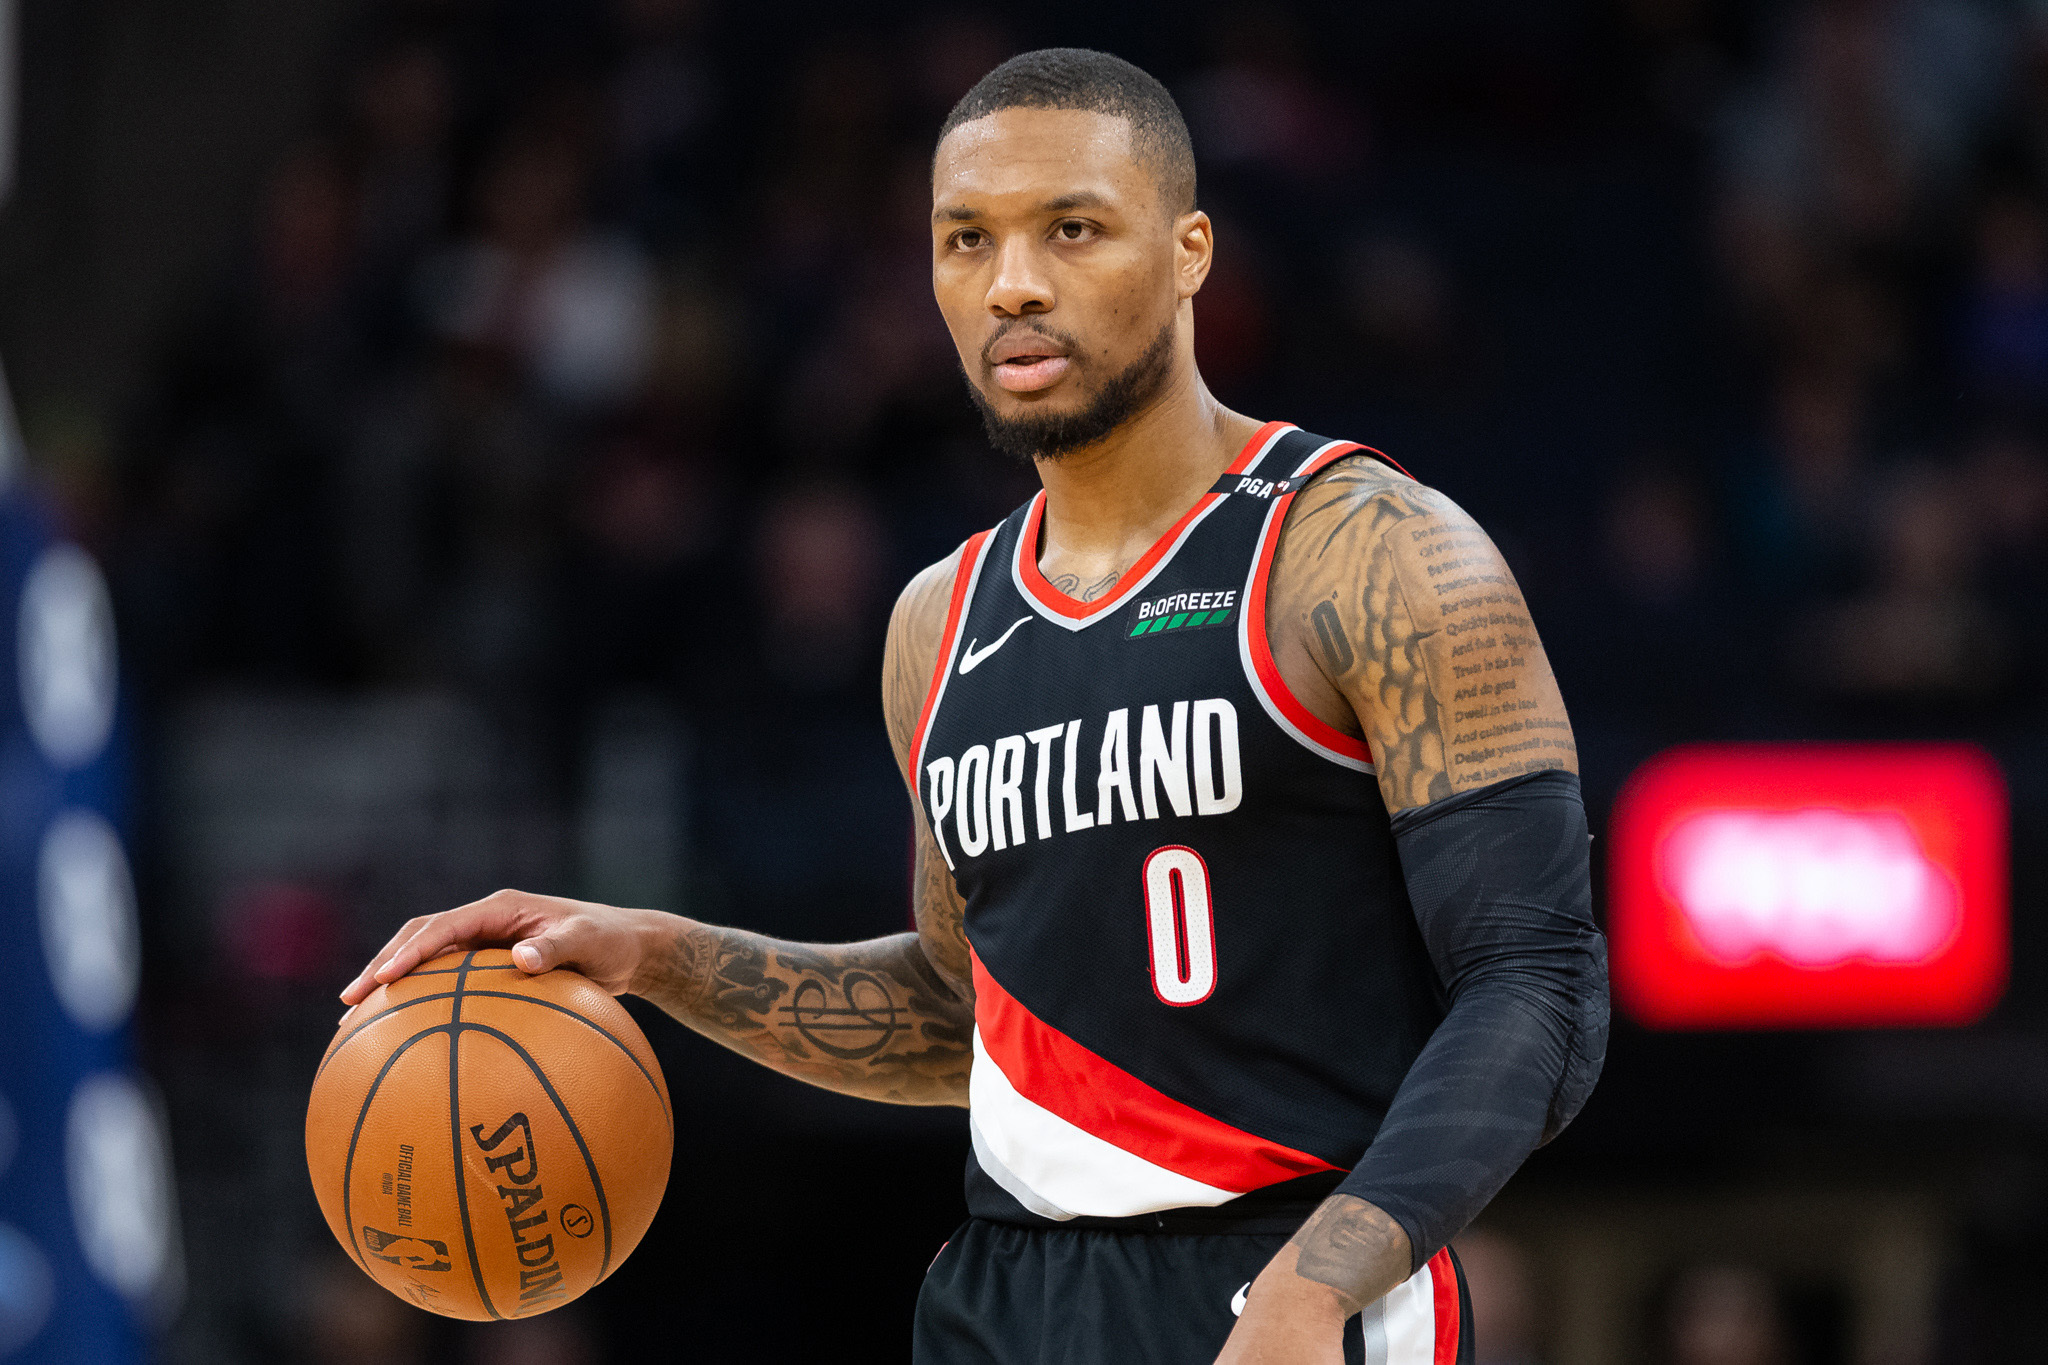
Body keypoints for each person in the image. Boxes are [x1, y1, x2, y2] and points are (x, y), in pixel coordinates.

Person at [339, 48, 1609, 1365]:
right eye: (966, 240)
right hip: (1007, 1299)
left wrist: (1323, 1277)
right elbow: (969, 1014)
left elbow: (1541, 980)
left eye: (1072, 229)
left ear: (1189, 253)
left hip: (1293, 1277)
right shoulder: (935, 625)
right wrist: (656, 956)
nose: (1013, 285)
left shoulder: (1370, 550)